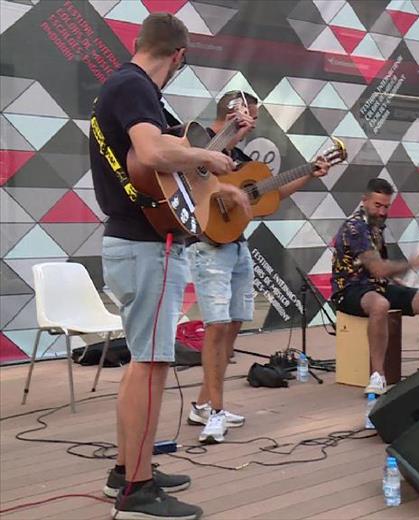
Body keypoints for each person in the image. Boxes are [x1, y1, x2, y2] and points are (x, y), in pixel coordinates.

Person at [91, 12, 249, 519]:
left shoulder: (129, 90)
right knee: (151, 364)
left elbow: (176, 163)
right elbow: (155, 151)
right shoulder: (133, 86)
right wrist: (214, 155)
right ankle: (136, 487)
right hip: (144, 246)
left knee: (150, 360)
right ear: (178, 55)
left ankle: (128, 467)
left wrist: (219, 139)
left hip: (141, 243)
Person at [185, 92, 330, 444]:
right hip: (208, 245)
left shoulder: (242, 158)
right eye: (249, 118)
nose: (252, 127)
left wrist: (310, 172)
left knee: (234, 325)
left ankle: (204, 404)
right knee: (217, 326)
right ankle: (216, 412)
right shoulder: (201, 141)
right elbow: (195, 179)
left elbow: (271, 195)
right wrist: (225, 190)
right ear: (233, 114)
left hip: (236, 245)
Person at [330, 178, 419, 394]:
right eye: (378, 205)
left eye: (386, 206)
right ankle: (377, 375)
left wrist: (395, 282)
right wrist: (413, 263)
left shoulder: (375, 226)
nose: (382, 211)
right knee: (380, 305)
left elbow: (380, 272)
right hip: (349, 290)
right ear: (364, 201)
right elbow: (379, 269)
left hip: (376, 287)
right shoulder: (355, 228)